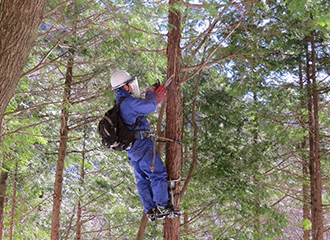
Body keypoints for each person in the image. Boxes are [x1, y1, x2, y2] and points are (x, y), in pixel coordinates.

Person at [110, 70, 170, 221]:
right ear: (125, 87)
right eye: (130, 84)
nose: (133, 87)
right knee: (157, 173)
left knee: (142, 179)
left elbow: (143, 109)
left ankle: (150, 210)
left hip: (133, 148)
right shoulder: (128, 102)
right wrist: (151, 93)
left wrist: (155, 99)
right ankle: (163, 204)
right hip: (142, 144)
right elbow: (149, 106)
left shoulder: (121, 103)